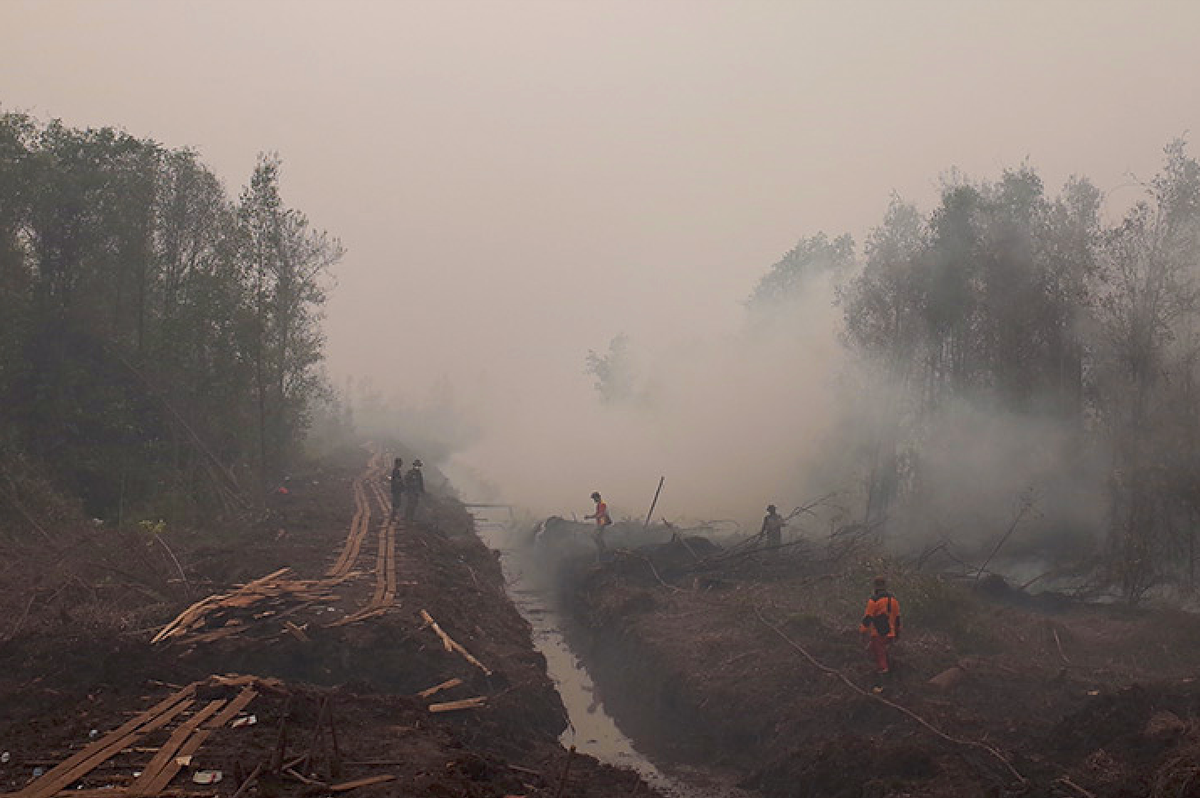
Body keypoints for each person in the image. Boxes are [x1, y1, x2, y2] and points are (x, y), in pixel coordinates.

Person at [860, 576, 901, 676]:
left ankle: (882, 679)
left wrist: (862, 631)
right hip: (891, 633)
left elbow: (868, 617)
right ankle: (885, 670)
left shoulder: (874, 600)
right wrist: (898, 632)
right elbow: (897, 619)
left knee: (880, 656)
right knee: (875, 651)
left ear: (875, 587)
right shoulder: (894, 600)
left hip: (879, 634)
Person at [584, 491, 613, 560]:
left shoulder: (602, 504)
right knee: (596, 536)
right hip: (600, 523)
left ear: (598, 497)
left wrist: (593, 517)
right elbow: (597, 514)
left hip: (602, 523)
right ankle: (602, 549)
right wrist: (589, 517)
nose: (594, 500)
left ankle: (603, 549)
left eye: (594, 498)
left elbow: (601, 514)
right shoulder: (598, 505)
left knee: (595, 536)